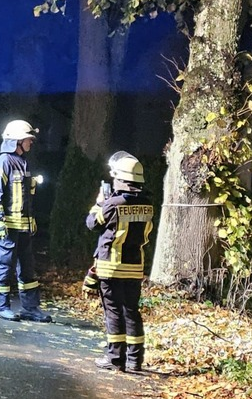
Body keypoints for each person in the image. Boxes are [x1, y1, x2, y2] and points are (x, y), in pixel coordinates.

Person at [86, 151, 155, 372]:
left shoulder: (112, 203)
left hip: (111, 266)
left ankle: (115, 359)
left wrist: (99, 203)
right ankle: (135, 361)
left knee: (113, 311)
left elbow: (92, 224)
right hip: (135, 267)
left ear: (121, 179)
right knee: (132, 311)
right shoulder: (147, 205)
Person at [0, 119, 53, 323]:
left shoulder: (23, 163)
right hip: (8, 227)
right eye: (28, 139)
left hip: (23, 226)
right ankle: (2, 306)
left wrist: (30, 218)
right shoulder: (3, 162)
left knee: (27, 267)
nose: (31, 143)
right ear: (16, 141)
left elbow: (26, 197)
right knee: (5, 266)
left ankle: (30, 308)